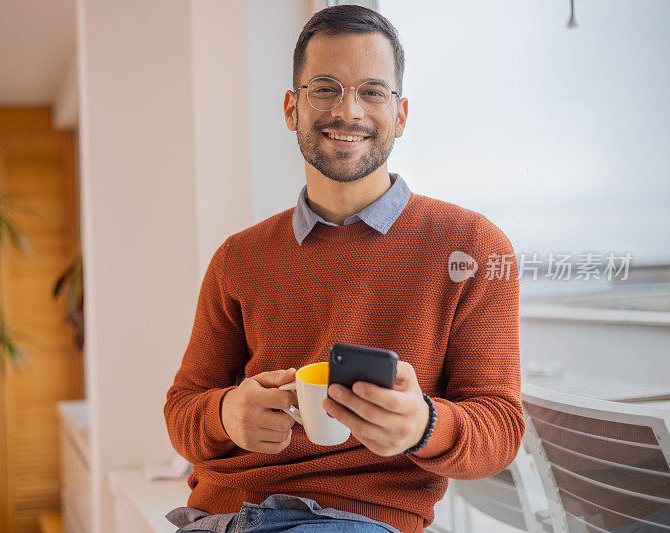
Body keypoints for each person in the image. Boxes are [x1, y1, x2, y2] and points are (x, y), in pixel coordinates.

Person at [164, 5, 524, 533]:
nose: (348, 110)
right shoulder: (237, 258)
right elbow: (181, 409)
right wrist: (225, 414)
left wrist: (424, 425)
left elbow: (500, 430)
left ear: (400, 115)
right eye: (325, 88)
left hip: (354, 520)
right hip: (216, 517)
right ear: (293, 108)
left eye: (373, 91)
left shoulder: (470, 247)